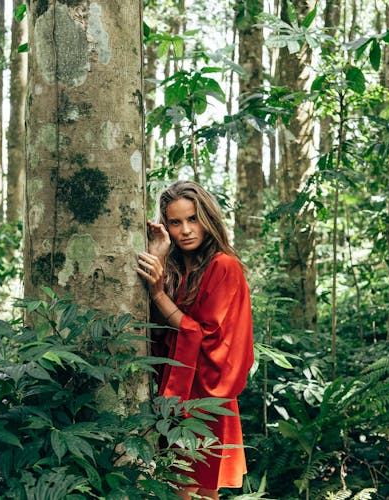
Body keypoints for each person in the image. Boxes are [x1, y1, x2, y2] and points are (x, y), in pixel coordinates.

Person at [136, 180, 254, 500]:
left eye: (193, 218)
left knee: (196, 492)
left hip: (206, 397)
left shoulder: (224, 266)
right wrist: (158, 255)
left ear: (208, 219)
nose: (186, 230)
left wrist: (158, 294)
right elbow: (157, 332)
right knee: (179, 490)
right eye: (175, 222)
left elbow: (202, 336)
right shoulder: (174, 269)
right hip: (173, 393)